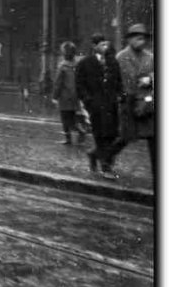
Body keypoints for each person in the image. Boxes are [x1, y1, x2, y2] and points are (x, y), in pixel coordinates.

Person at [109, 23, 155, 176]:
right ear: (129, 40)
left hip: (147, 102)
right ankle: (105, 157)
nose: (141, 42)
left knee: (153, 136)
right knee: (125, 137)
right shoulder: (120, 57)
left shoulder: (151, 57)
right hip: (127, 102)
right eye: (137, 38)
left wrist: (150, 80)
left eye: (143, 39)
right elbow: (112, 81)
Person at [76, 35, 124, 180]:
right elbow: (79, 84)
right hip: (95, 106)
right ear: (94, 46)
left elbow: (118, 81)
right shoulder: (85, 63)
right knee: (100, 135)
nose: (105, 47)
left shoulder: (113, 62)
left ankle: (94, 154)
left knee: (113, 134)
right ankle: (106, 167)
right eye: (102, 45)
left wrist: (121, 95)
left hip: (111, 105)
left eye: (106, 44)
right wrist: (87, 100)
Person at [52, 41, 84, 145]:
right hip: (75, 95)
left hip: (64, 96)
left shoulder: (62, 66)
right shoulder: (77, 65)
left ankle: (68, 138)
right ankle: (79, 130)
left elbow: (58, 83)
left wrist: (55, 97)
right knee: (73, 116)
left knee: (65, 118)